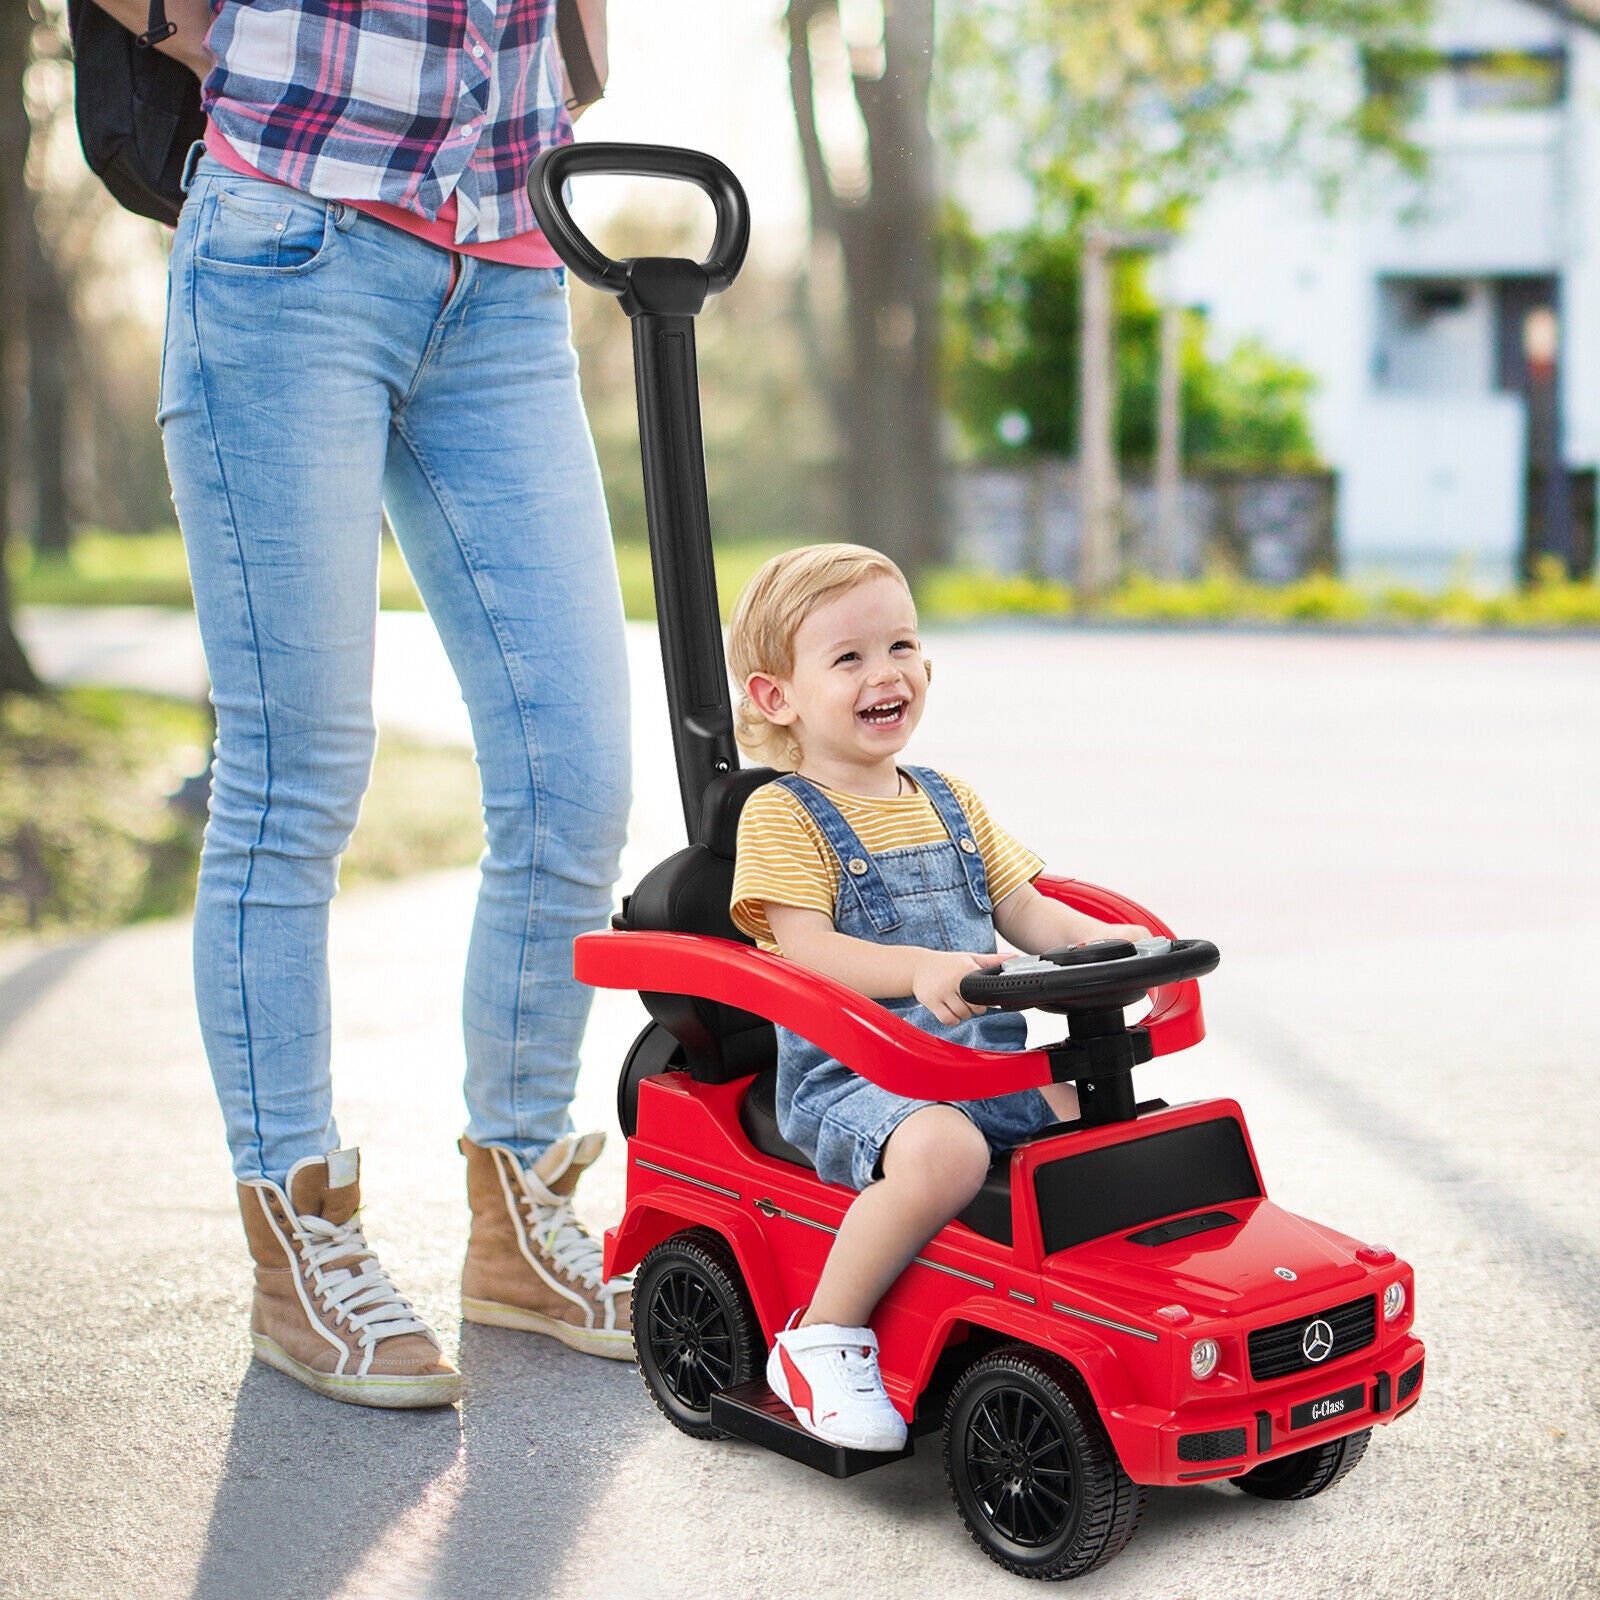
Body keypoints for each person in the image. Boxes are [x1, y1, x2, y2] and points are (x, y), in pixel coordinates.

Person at [90, 0, 632, 1407]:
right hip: (288, 243)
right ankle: (298, 1240)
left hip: (507, 267)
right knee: (296, 774)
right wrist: (228, 52)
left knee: (577, 772)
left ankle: (517, 1205)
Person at [727, 545, 1148, 1450]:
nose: (886, 675)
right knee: (945, 1153)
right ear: (777, 698)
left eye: (902, 646)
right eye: (848, 659)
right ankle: (820, 1340)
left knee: (1101, 1120)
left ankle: (1105, 1311)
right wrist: (920, 968)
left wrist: (1112, 949)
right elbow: (805, 948)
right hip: (854, 1081)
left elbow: (1030, 911)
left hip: (981, 1066)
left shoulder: (951, 799)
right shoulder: (782, 814)